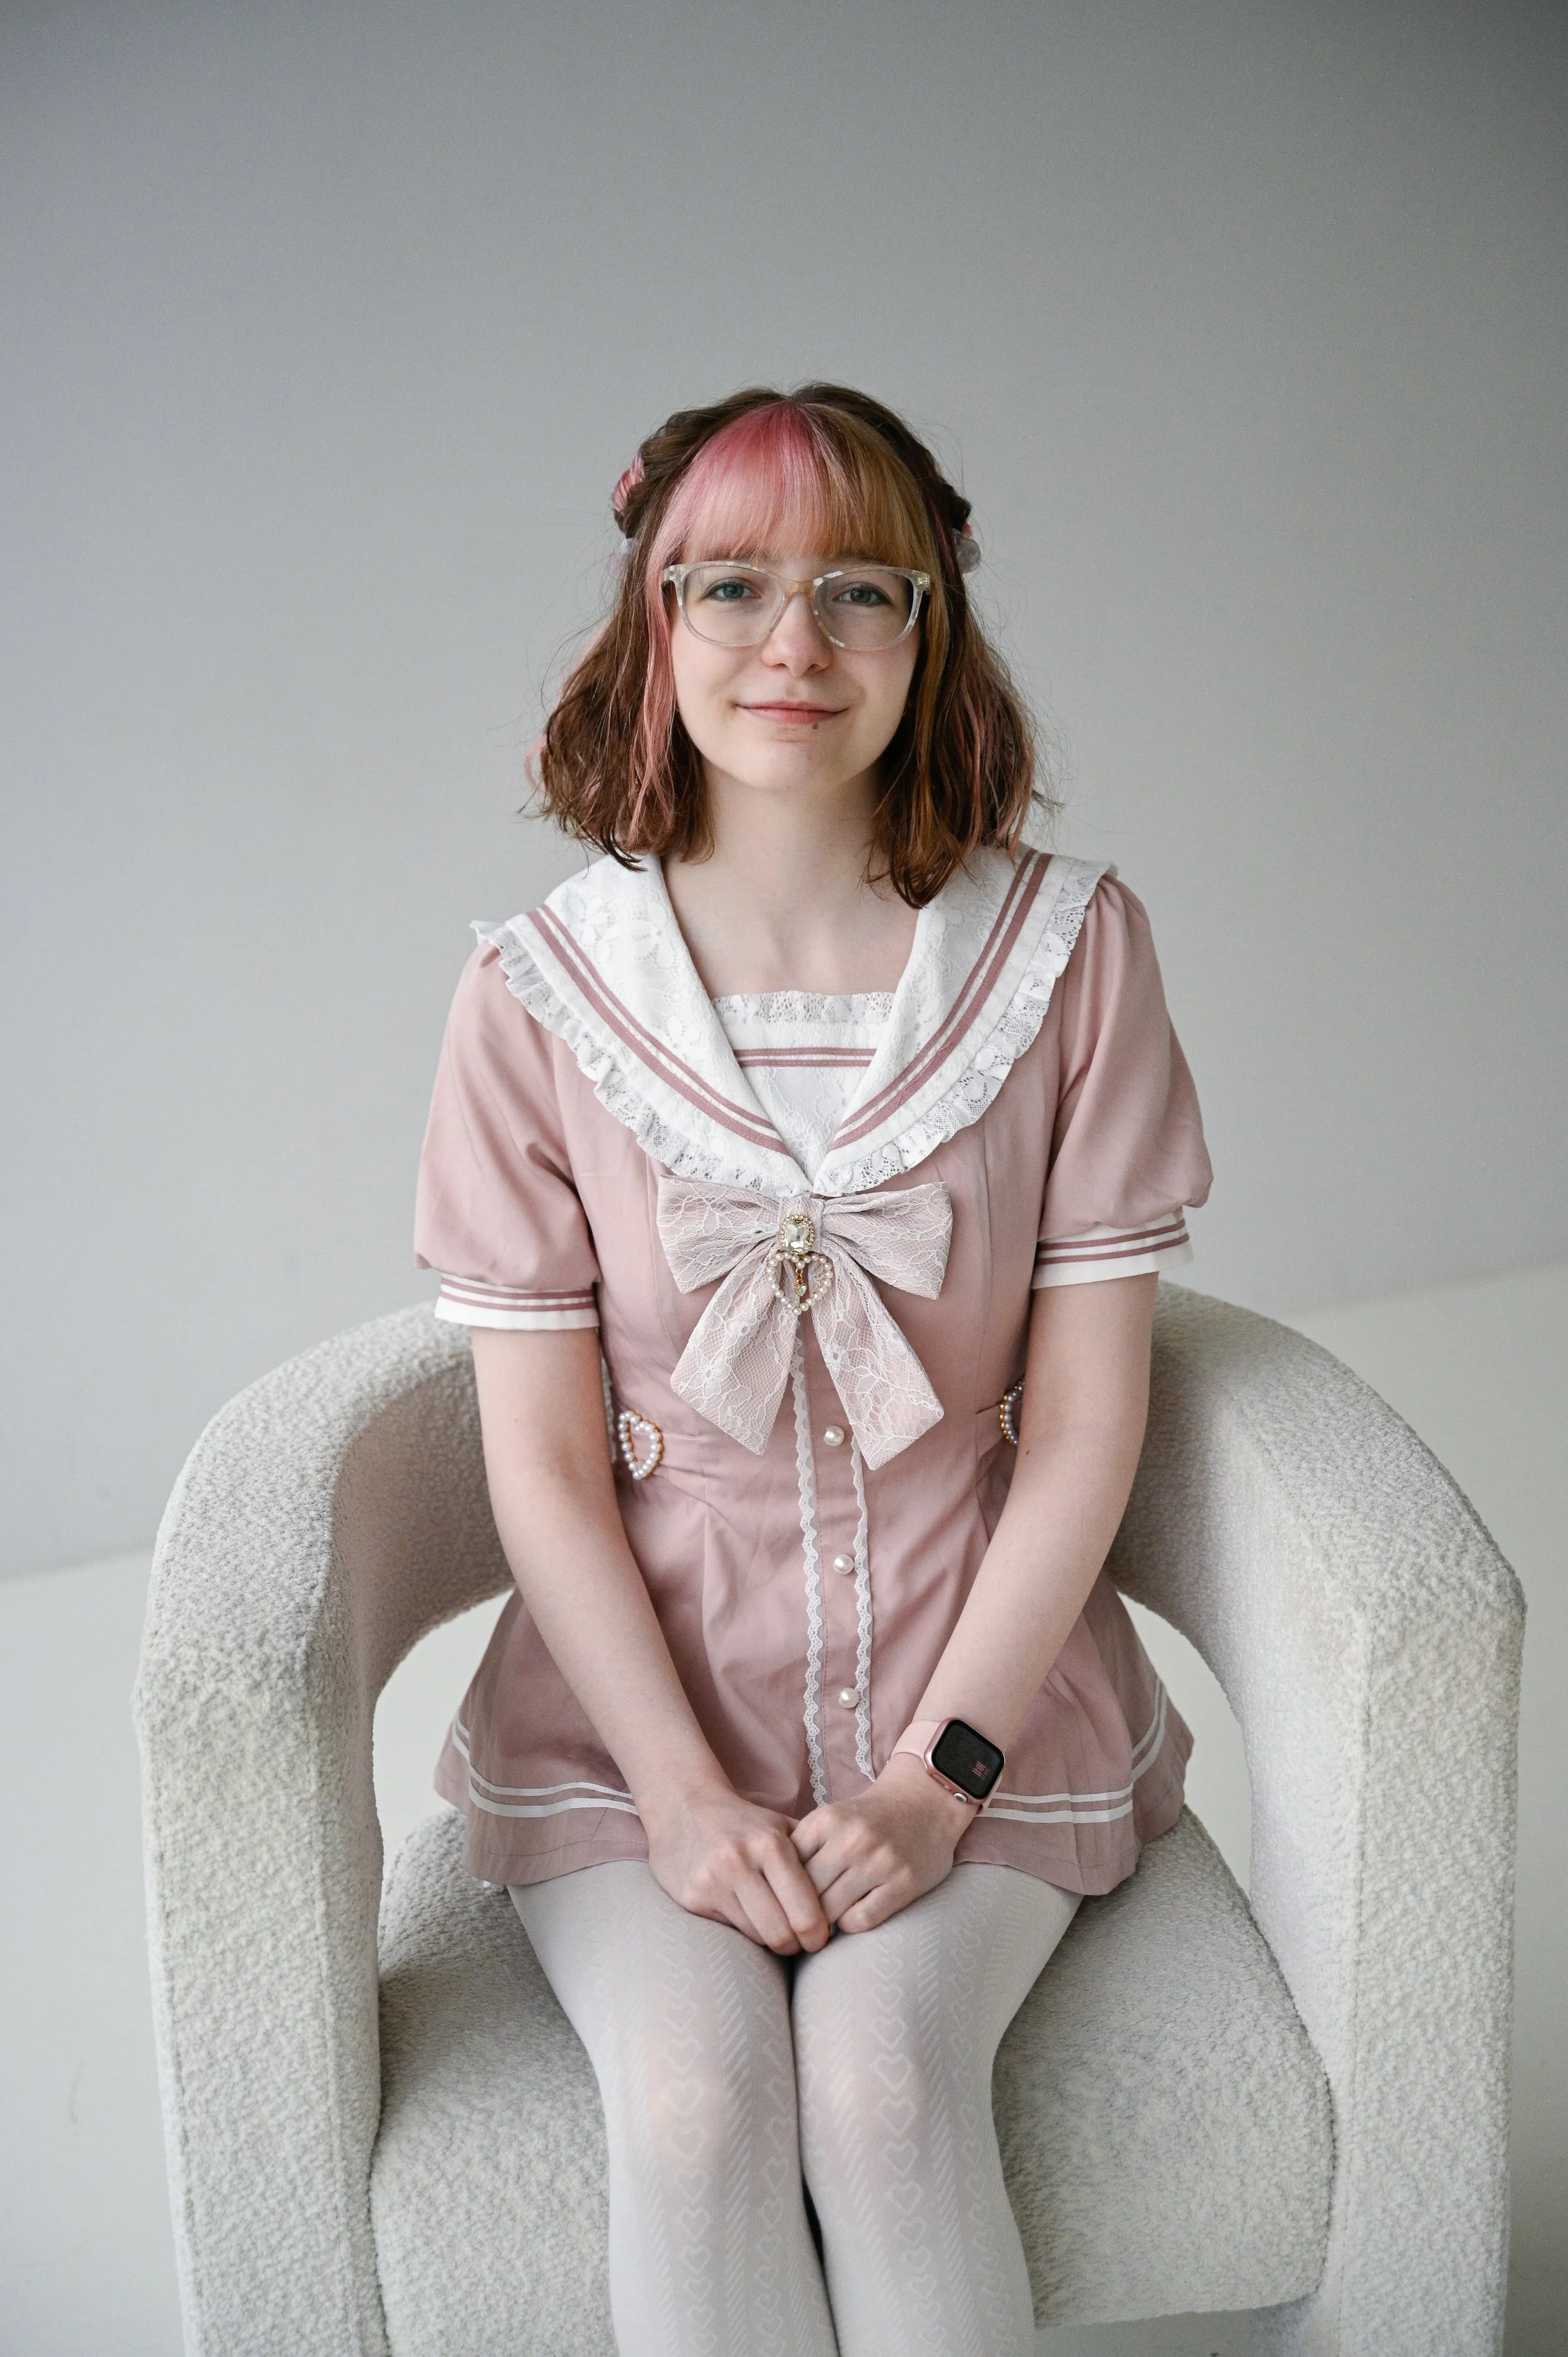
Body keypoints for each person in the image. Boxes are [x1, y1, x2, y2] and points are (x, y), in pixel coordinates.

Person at [413, 383, 1212, 2356]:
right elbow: (540, 1468)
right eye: (737, 586)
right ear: (652, 622)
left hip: (976, 1700)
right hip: (631, 1736)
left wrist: (942, 1775)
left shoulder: (1069, 953)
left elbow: (1086, 1423)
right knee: (691, 2109)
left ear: (931, 627)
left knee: (882, 2087)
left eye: (862, 588)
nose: (796, 644)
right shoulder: (535, 998)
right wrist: (682, 1797)